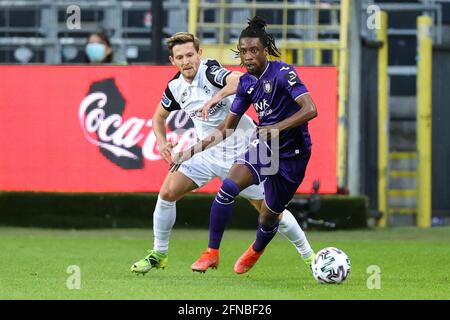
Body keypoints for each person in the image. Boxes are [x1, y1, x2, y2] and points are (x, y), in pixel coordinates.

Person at [130, 32, 315, 274]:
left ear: (199, 54)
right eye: (180, 57)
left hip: (245, 150)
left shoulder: (210, 72)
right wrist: (162, 141)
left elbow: (239, 80)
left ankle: (309, 256)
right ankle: (159, 254)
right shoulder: (175, 87)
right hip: (206, 150)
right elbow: (158, 117)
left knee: (271, 213)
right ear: (172, 60)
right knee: (167, 192)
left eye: (189, 55)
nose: (186, 61)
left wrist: (215, 98)